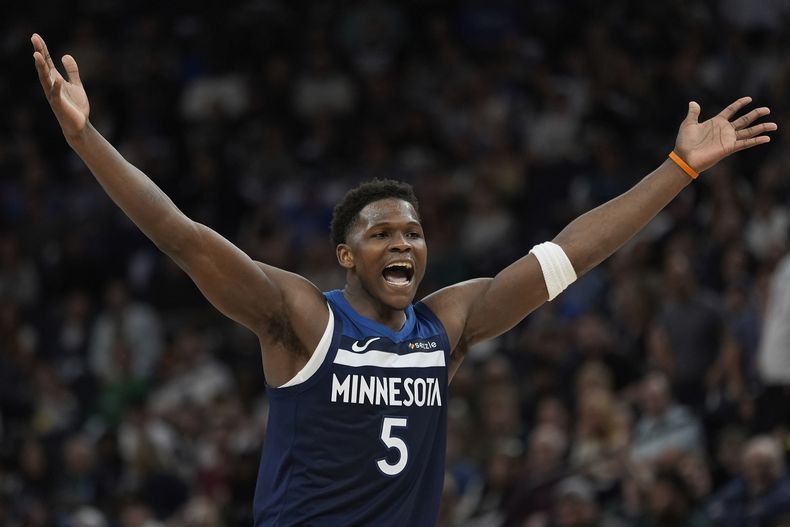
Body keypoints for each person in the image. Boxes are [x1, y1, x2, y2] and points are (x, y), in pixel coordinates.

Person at [31, 32, 777, 527]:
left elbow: (569, 255)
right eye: (381, 233)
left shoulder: (448, 324)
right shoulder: (302, 319)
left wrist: (677, 169)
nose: (403, 243)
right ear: (345, 254)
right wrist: (86, 138)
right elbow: (182, 236)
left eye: (413, 233)